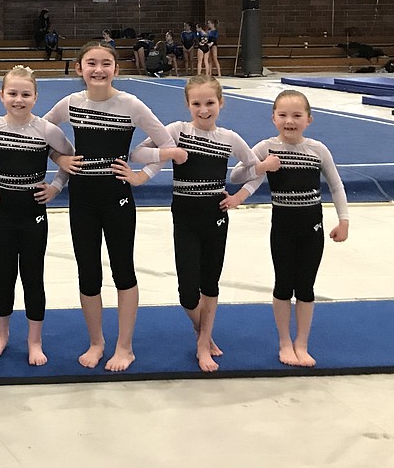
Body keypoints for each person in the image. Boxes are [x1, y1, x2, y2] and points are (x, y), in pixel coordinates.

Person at [42, 41, 183, 372]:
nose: (98, 70)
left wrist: (141, 176)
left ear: (115, 70)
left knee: (122, 269)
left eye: (106, 63)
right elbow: (39, 134)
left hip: (117, 197)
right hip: (82, 198)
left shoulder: (131, 105)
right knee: (88, 272)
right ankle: (96, 342)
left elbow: (168, 145)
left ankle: (125, 346)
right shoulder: (70, 104)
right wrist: (60, 158)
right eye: (91, 63)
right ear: (79, 69)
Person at [132, 76, 278, 372]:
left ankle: (202, 344)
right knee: (187, 292)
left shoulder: (230, 138)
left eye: (210, 103)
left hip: (215, 216)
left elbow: (251, 171)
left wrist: (239, 197)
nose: (203, 109)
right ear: (187, 104)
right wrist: (169, 152)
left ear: (221, 103)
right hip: (184, 217)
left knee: (210, 283)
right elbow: (138, 153)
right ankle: (204, 332)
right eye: (196, 103)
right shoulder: (177, 131)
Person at [227, 89, 349, 368]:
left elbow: (336, 185)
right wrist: (262, 166)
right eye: (283, 115)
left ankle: (301, 342)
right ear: (273, 118)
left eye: (297, 115)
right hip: (282, 228)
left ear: (309, 119)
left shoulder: (318, 150)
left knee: (305, 286)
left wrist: (343, 221)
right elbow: (236, 175)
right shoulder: (266, 148)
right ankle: (284, 341)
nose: (289, 121)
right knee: (283, 285)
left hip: (312, 228)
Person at [0, 66, 75, 366]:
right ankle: (1, 335)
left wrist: (56, 187)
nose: (18, 100)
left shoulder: (46, 130)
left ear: (35, 97)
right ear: (2, 95)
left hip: (33, 212)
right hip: (2, 210)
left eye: (25, 94)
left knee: (33, 276)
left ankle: (34, 340)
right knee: (3, 275)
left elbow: (68, 159)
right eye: (13, 94)